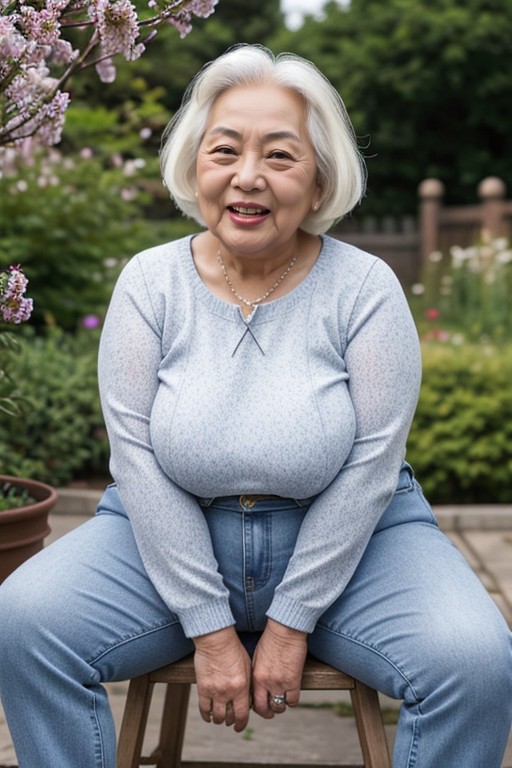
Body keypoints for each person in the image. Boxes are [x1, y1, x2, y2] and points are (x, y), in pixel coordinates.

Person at [0, 44, 511, 768]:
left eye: (280, 155)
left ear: (320, 176)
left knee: (475, 660)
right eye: (226, 150)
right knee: (24, 622)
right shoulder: (150, 284)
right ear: (195, 162)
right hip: (167, 535)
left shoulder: (365, 288)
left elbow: (372, 466)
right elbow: (136, 462)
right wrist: (210, 629)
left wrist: (290, 621)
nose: (248, 177)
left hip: (357, 542)